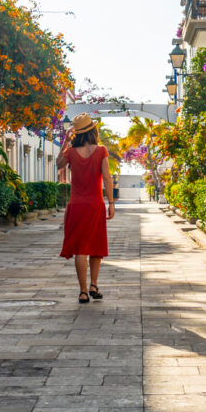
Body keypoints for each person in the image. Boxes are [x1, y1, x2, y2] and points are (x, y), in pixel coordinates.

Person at [56, 113, 116, 304]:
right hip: (95, 204)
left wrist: (65, 141)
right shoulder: (101, 151)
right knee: (96, 245)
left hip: (76, 205)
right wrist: (111, 203)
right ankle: (93, 285)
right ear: (93, 131)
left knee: (80, 248)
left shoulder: (71, 152)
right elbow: (107, 177)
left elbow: (58, 164)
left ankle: (82, 292)